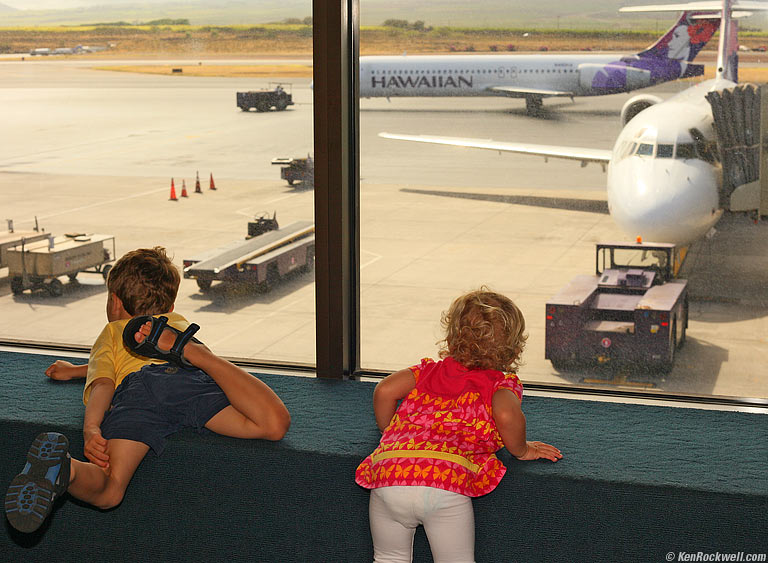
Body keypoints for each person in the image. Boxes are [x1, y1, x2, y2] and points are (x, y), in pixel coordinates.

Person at [5, 247, 291, 534]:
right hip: (184, 377)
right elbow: (121, 368)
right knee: (271, 425)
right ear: (169, 306)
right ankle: (195, 353)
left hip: (138, 392)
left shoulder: (113, 331)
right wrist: (78, 370)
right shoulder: (173, 323)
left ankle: (67, 470)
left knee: (110, 490)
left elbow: (106, 381)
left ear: (114, 302)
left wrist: (91, 427)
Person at [355, 288, 562, 562]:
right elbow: (507, 416)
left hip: (390, 475)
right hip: (445, 483)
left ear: (452, 337)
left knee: (388, 557)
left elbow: (384, 391)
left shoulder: (426, 372)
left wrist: (389, 431)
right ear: (513, 350)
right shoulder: (499, 386)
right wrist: (522, 450)